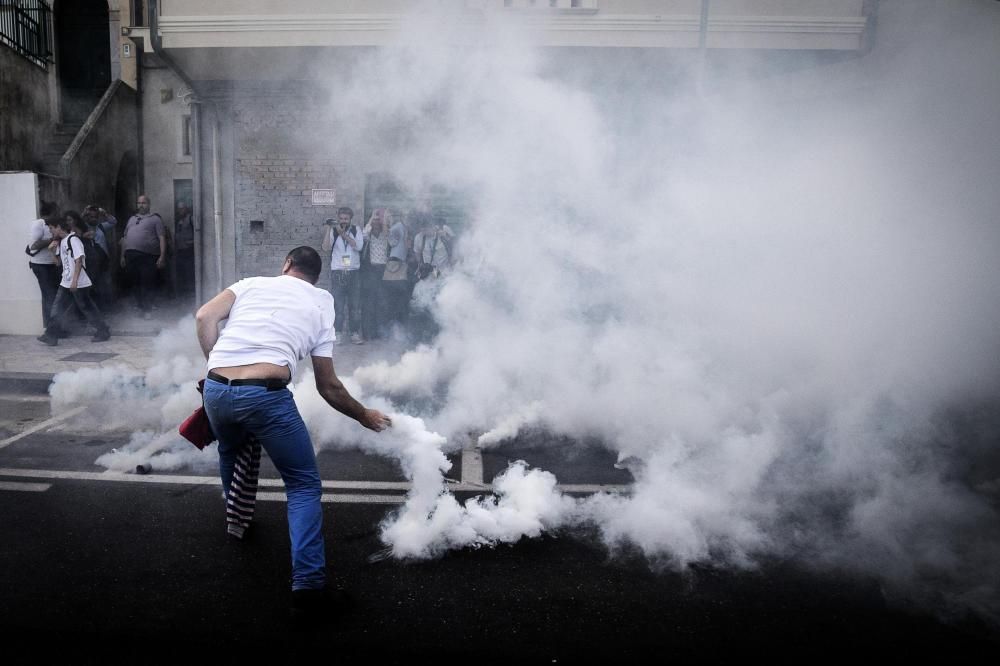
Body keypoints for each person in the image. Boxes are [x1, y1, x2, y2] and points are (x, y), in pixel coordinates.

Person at [195, 246, 391, 616]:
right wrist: (363, 415)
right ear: (317, 277)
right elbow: (327, 385)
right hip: (266, 396)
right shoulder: (322, 302)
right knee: (302, 485)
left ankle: (237, 518)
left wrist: (217, 364)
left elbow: (204, 316)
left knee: (230, 451)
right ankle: (309, 589)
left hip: (217, 388)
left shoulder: (251, 284)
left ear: (285, 264)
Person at [37, 212, 111, 346]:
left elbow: (79, 260)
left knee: (86, 307)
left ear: (59, 227)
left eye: (51, 228)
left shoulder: (73, 240)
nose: (50, 232)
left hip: (78, 282)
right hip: (66, 281)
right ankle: (51, 335)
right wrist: (52, 252)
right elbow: (59, 263)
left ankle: (103, 330)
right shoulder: (61, 242)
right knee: (57, 308)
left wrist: (75, 281)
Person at [321, 206, 365, 344]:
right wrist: (329, 229)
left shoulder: (355, 230)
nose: (343, 221)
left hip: (353, 272)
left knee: (354, 306)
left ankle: (354, 334)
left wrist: (343, 234)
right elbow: (326, 247)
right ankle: (337, 333)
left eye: (346, 219)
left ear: (350, 219)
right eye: (341, 219)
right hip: (338, 272)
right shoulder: (334, 230)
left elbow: (358, 246)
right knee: (338, 306)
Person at [121, 194, 166, 320]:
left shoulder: (155, 219)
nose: (141, 205)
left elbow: (162, 238)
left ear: (149, 205)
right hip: (131, 255)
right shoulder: (131, 219)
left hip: (148, 256)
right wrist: (122, 256)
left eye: (144, 203)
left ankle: (147, 309)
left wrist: (162, 256)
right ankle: (140, 307)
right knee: (134, 283)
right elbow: (124, 238)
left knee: (147, 282)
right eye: (139, 203)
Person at [27, 201, 61, 332]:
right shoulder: (39, 224)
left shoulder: (52, 225)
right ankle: (49, 328)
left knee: (55, 295)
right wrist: (54, 239)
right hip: (41, 265)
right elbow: (34, 245)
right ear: (52, 212)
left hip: (51, 264)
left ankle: (56, 327)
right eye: (56, 211)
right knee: (49, 295)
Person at [361, 208, 389, 340]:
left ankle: (381, 333)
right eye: (375, 222)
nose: (377, 223)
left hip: (384, 271)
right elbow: (363, 234)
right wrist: (372, 217)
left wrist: (383, 219)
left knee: (382, 302)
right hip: (371, 271)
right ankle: (368, 333)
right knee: (369, 302)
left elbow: (386, 232)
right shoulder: (368, 236)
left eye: (379, 221)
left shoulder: (385, 235)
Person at [382, 208, 410, 331]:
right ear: (402, 217)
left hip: (401, 264)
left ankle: (397, 327)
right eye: (406, 216)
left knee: (400, 297)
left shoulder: (405, 228)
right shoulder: (398, 226)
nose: (408, 219)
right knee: (395, 297)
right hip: (395, 263)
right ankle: (393, 328)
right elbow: (389, 238)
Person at [173, 201, 195, 298]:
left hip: (189, 250)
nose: (180, 210)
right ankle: (184, 296)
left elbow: (197, 233)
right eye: (179, 209)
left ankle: (191, 295)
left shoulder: (191, 219)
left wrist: (192, 242)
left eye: (182, 208)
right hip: (180, 251)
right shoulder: (179, 222)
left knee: (190, 273)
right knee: (181, 274)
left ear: (186, 209)